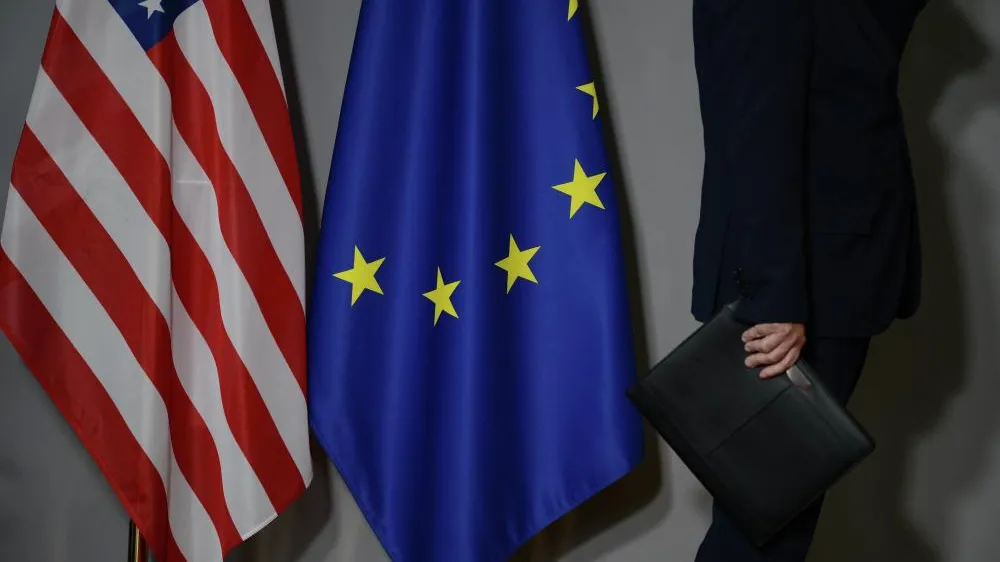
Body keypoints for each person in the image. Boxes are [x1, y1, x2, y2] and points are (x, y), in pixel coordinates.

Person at [689, 0, 929, 560]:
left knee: (773, 523)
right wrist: (774, 300)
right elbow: (758, 133)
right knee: (763, 529)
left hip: (830, 277)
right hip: (798, 290)